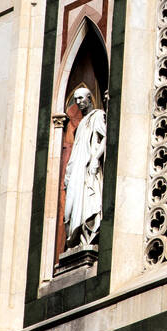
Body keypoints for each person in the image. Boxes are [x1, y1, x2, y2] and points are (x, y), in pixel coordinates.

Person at [63, 86, 106, 249]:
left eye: (81, 98)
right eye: (76, 100)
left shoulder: (98, 116)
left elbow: (105, 136)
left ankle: (87, 240)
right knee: (69, 210)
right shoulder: (80, 125)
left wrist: (95, 158)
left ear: (89, 98)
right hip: (76, 171)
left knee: (87, 205)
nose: (78, 102)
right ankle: (76, 240)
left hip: (87, 169)